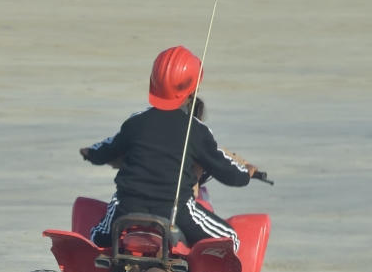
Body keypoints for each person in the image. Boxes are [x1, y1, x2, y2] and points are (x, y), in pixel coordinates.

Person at [81, 46, 255, 251]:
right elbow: (229, 173)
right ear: (193, 88)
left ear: (153, 82)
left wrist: (91, 153)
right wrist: (246, 173)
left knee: (94, 243)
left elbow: (106, 150)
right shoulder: (196, 130)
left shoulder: (136, 123)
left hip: (126, 207)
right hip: (176, 211)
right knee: (229, 239)